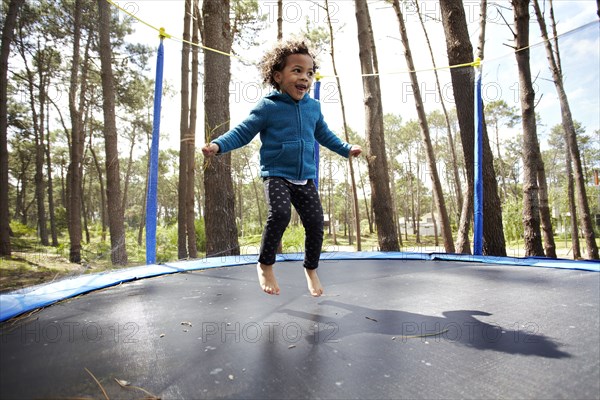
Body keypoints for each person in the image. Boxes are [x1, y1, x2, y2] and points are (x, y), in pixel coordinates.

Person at [202, 39, 362, 297]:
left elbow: (325, 134)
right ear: (278, 76)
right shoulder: (269, 107)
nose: (305, 78)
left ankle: (311, 269)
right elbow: (243, 132)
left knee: (315, 224)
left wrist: (346, 148)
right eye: (296, 71)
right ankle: (265, 264)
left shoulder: (314, 108)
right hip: (276, 173)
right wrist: (218, 145)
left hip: (305, 177)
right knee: (279, 214)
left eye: (309, 73)